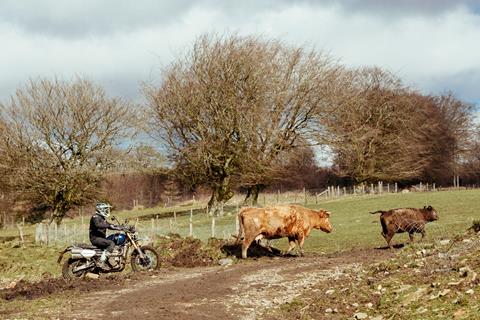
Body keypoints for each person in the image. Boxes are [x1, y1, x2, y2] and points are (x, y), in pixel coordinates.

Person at [89, 202, 123, 269]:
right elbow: (98, 225)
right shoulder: (95, 217)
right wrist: (109, 225)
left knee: (114, 240)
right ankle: (102, 261)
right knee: (111, 243)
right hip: (96, 238)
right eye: (105, 209)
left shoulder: (102, 218)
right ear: (100, 209)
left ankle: (112, 259)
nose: (107, 210)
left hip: (101, 238)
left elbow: (109, 225)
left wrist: (119, 227)